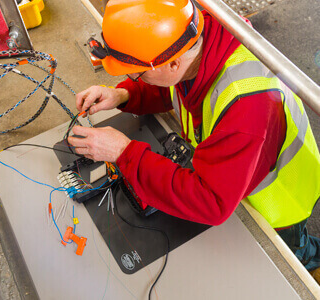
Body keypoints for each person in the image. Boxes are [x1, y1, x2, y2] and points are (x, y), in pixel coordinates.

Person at [68, 0, 320, 279]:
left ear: (173, 63)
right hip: (236, 168)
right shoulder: (194, 40)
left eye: (138, 73)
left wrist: (123, 152)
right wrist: (126, 94)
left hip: (279, 202)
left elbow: (210, 201)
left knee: (295, 260)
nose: (135, 78)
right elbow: (175, 90)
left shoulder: (247, 108)